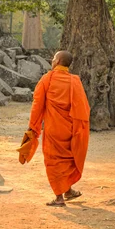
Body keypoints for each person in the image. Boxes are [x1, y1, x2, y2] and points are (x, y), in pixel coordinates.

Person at [26, 50, 90, 207]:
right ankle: (67, 191)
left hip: (54, 129)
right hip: (71, 129)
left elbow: (37, 105)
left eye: (54, 58)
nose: (52, 60)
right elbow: (83, 108)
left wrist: (33, 126)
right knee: (68, 159)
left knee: (54, 161)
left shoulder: (47, 79)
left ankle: (59, 197)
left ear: (58, 61)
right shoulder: (75, 81)